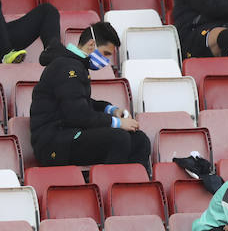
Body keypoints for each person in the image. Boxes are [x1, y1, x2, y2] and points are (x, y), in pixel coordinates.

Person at [30, 22, 150, 169]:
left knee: (139, 140)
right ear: (92, 44)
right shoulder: (67, 67)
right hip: (53, 143)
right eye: (106, 53)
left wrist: (110, 109)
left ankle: (133, 186)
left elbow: (81, 102)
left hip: (70, 134)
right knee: (119, 138)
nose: (106, 61)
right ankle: (110, 186)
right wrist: (117, 123)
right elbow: (77, 115)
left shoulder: (76, 64)